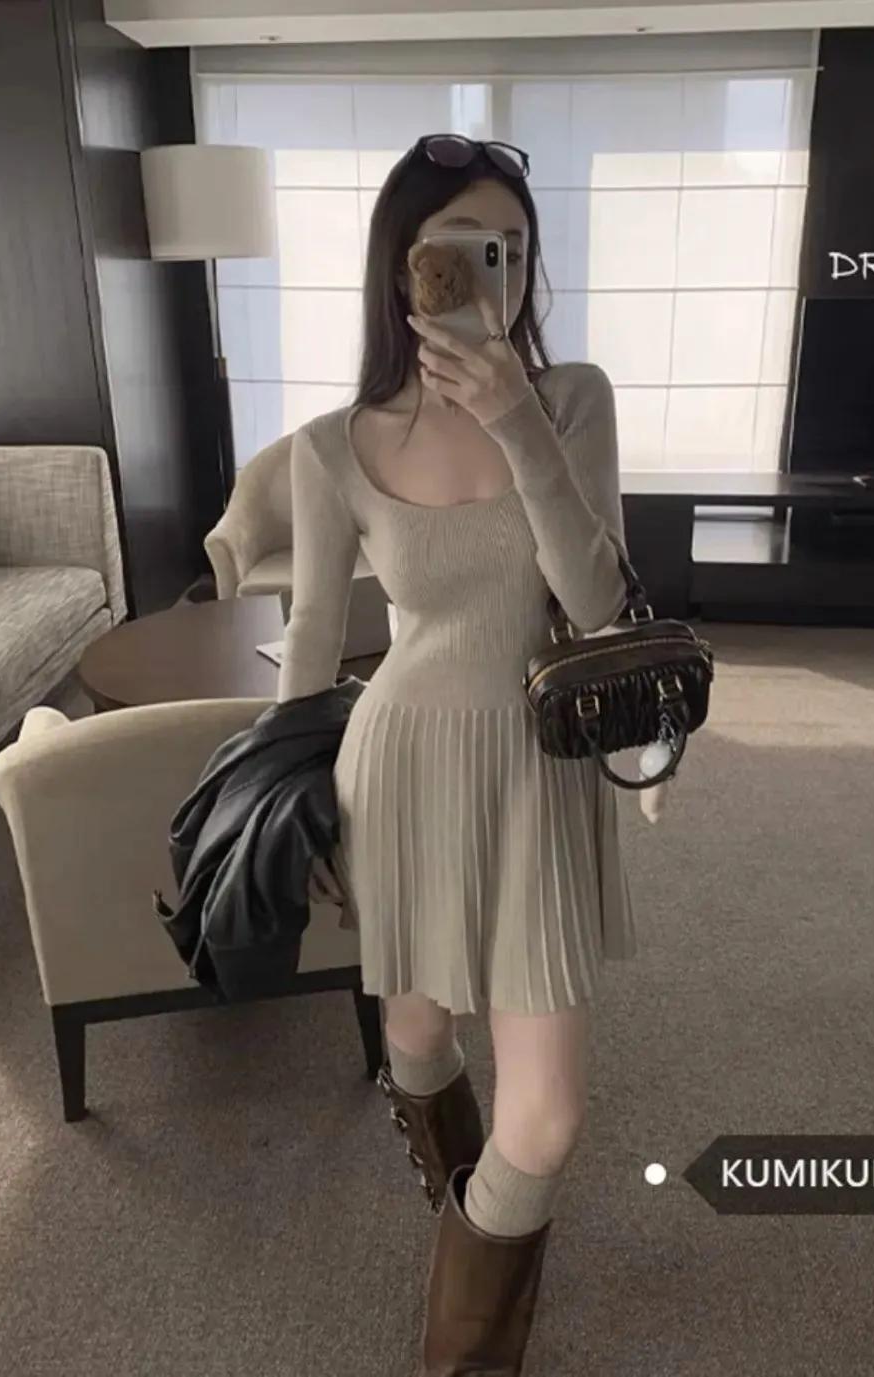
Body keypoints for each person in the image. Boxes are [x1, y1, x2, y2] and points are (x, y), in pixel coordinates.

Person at [278, 133, 636, 1375]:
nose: (501, 274)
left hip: (538, 771)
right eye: (468, 249)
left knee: (549, 1115)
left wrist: (522, 427)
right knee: (419, 1039)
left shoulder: (573, 398)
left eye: (517, 250)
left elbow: (599, 604)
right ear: (406, 267)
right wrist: (294, 802)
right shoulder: (332, 444)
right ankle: (469, 1218)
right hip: (396, 773)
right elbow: (311, 637)